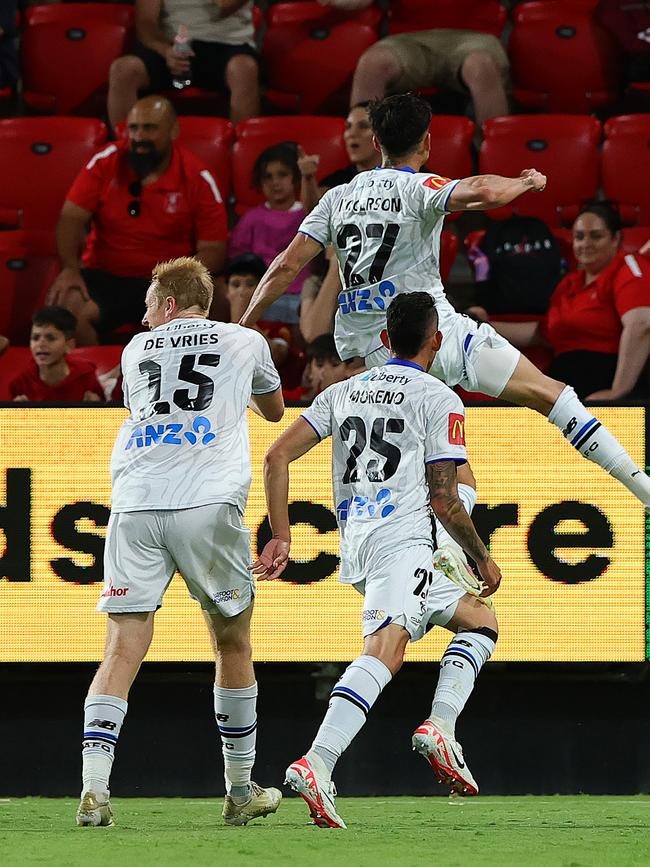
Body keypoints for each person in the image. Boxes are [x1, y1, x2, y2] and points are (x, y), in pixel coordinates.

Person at [240, 93, 650, 540]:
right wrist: (526, 181)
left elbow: (284, 266)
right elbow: (486, 192)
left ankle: (437, 552)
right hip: (433, 333)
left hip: (378, 356)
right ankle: (644, 490)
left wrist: (244, 325)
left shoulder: (336, 198)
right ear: (427, 143)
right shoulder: (420, 188)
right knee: (554, 397)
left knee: (452, 475)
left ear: (375, 141)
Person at [254, 293, 501, 828]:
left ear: (385, 340)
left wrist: (281, 535)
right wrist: (481, 556)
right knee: (387, 648)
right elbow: (445, 496)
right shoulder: (439, 398)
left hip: (361, 536)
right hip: (406, 538)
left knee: (478, 621)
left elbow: (276, 456)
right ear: (436, 341)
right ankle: (318, 761)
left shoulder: (343, 391)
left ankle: (441, 726)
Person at [76, 256, 284, 829]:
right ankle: (240, 790)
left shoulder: (135, 352)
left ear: (169, 305)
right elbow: (274, 412)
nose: (143, 318)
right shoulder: (245, 341)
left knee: (120, 648)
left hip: (135, 502)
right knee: (232, 642)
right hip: (207, 503)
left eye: (148, 305)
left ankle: (95, 790)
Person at [48, 96, 227, 346]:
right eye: (133, 128)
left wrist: (175, 279)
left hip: (167, 281)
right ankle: (95, 381)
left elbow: (215, 249)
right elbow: (70, 218)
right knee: (67, 303)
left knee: (218, 296)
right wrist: (69, 268)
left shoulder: (197, 176)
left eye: (150, 128)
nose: (139, 137)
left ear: (173, 131)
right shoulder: (106, 161)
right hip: (105, 275)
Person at [470, 203, 650, 401]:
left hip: (607, 389)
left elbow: (641, 325)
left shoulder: (628, 267)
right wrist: (479, 325)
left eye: (596, 236)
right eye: (579, 237)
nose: (586, 244)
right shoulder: (569, 283)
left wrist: (617, 392)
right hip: (565, 390)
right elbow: (543, 334)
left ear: (616, 239)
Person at [107, 0, 260, 129]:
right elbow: (146, 23)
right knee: (123, 69)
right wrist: (166, 50)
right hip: (172, 44)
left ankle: (242, 151)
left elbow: (225, 5)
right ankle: (124, 151)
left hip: (228, 43)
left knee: (244, 69)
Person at [349, 9, 509, 127]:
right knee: (372, 63)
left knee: (481, 66)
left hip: (475, 36)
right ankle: (366, 160)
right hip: (408, 38)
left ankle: (492, 157)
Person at [229, 142, 311, 325]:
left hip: (302, 298)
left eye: (282, 175)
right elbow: (237, 260)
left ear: (295, 178)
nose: (275, 182)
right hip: (262, 298)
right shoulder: (251, 219)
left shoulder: (306, 214)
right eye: (268, 177)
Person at [224, 253, 305, 394]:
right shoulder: (217, 330)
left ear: (262, 289)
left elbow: (275, 357)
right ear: (226, 291)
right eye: (235, 284)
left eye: (250, 284)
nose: (242, 291)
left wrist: (240, 318)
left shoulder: (279, 328)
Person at [10, 307, 104, 403]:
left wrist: (96, 409)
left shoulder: (86, 378)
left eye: (51, 338)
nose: (40, 344)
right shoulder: (21, 383)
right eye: (35, 338)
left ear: (69, 345)